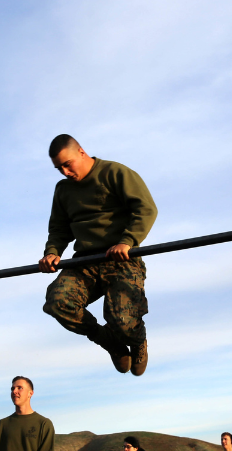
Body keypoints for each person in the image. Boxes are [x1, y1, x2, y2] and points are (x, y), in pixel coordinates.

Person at [38, 134, 158, 376]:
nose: (64, 172)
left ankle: (136, 343)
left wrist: (127, 241)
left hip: (120, 257)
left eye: (67, 164)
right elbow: (59, 228)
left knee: (122, 320)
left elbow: (146, 209)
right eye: (58, 168)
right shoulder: (63, 190)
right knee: (57, 302)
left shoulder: (115, 173)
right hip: (85, 261)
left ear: (82, 152)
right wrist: (52, 252)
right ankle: (110, 343)